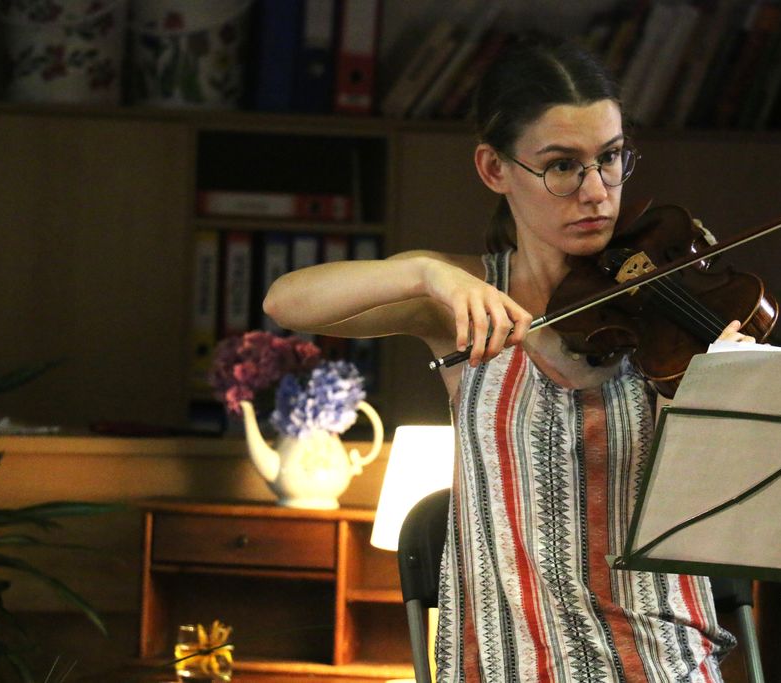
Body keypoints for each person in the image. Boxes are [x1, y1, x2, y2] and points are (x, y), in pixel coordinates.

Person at [265, 37, 753, 683]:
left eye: (610, 158)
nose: (596, 192)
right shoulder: (460, 304)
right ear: (494, 169)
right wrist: (425, 272)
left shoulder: (670, 319)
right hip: (506, 665)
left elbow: (720, 518)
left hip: (660, 664)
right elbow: (286, 301)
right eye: (563, 166)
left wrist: (717, 405)